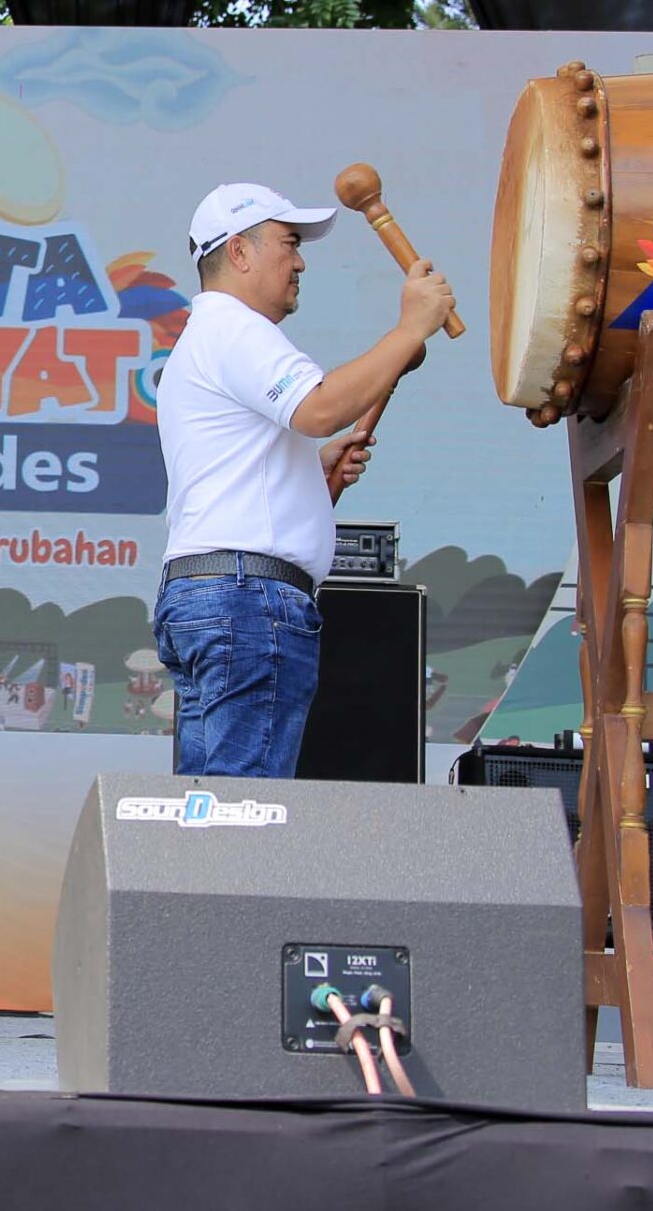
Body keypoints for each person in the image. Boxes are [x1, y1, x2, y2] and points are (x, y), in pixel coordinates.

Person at [153, 182, 452, 779]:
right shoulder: (234, 329)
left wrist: (311, 477)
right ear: (239, 251)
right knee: (247, 806)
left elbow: (239, 467)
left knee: (209, 809)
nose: (300, 262)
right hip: (245, 599)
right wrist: (408, 330)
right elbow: (319, 409)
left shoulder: (207, 337)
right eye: (289, 244)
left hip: (210, 593)